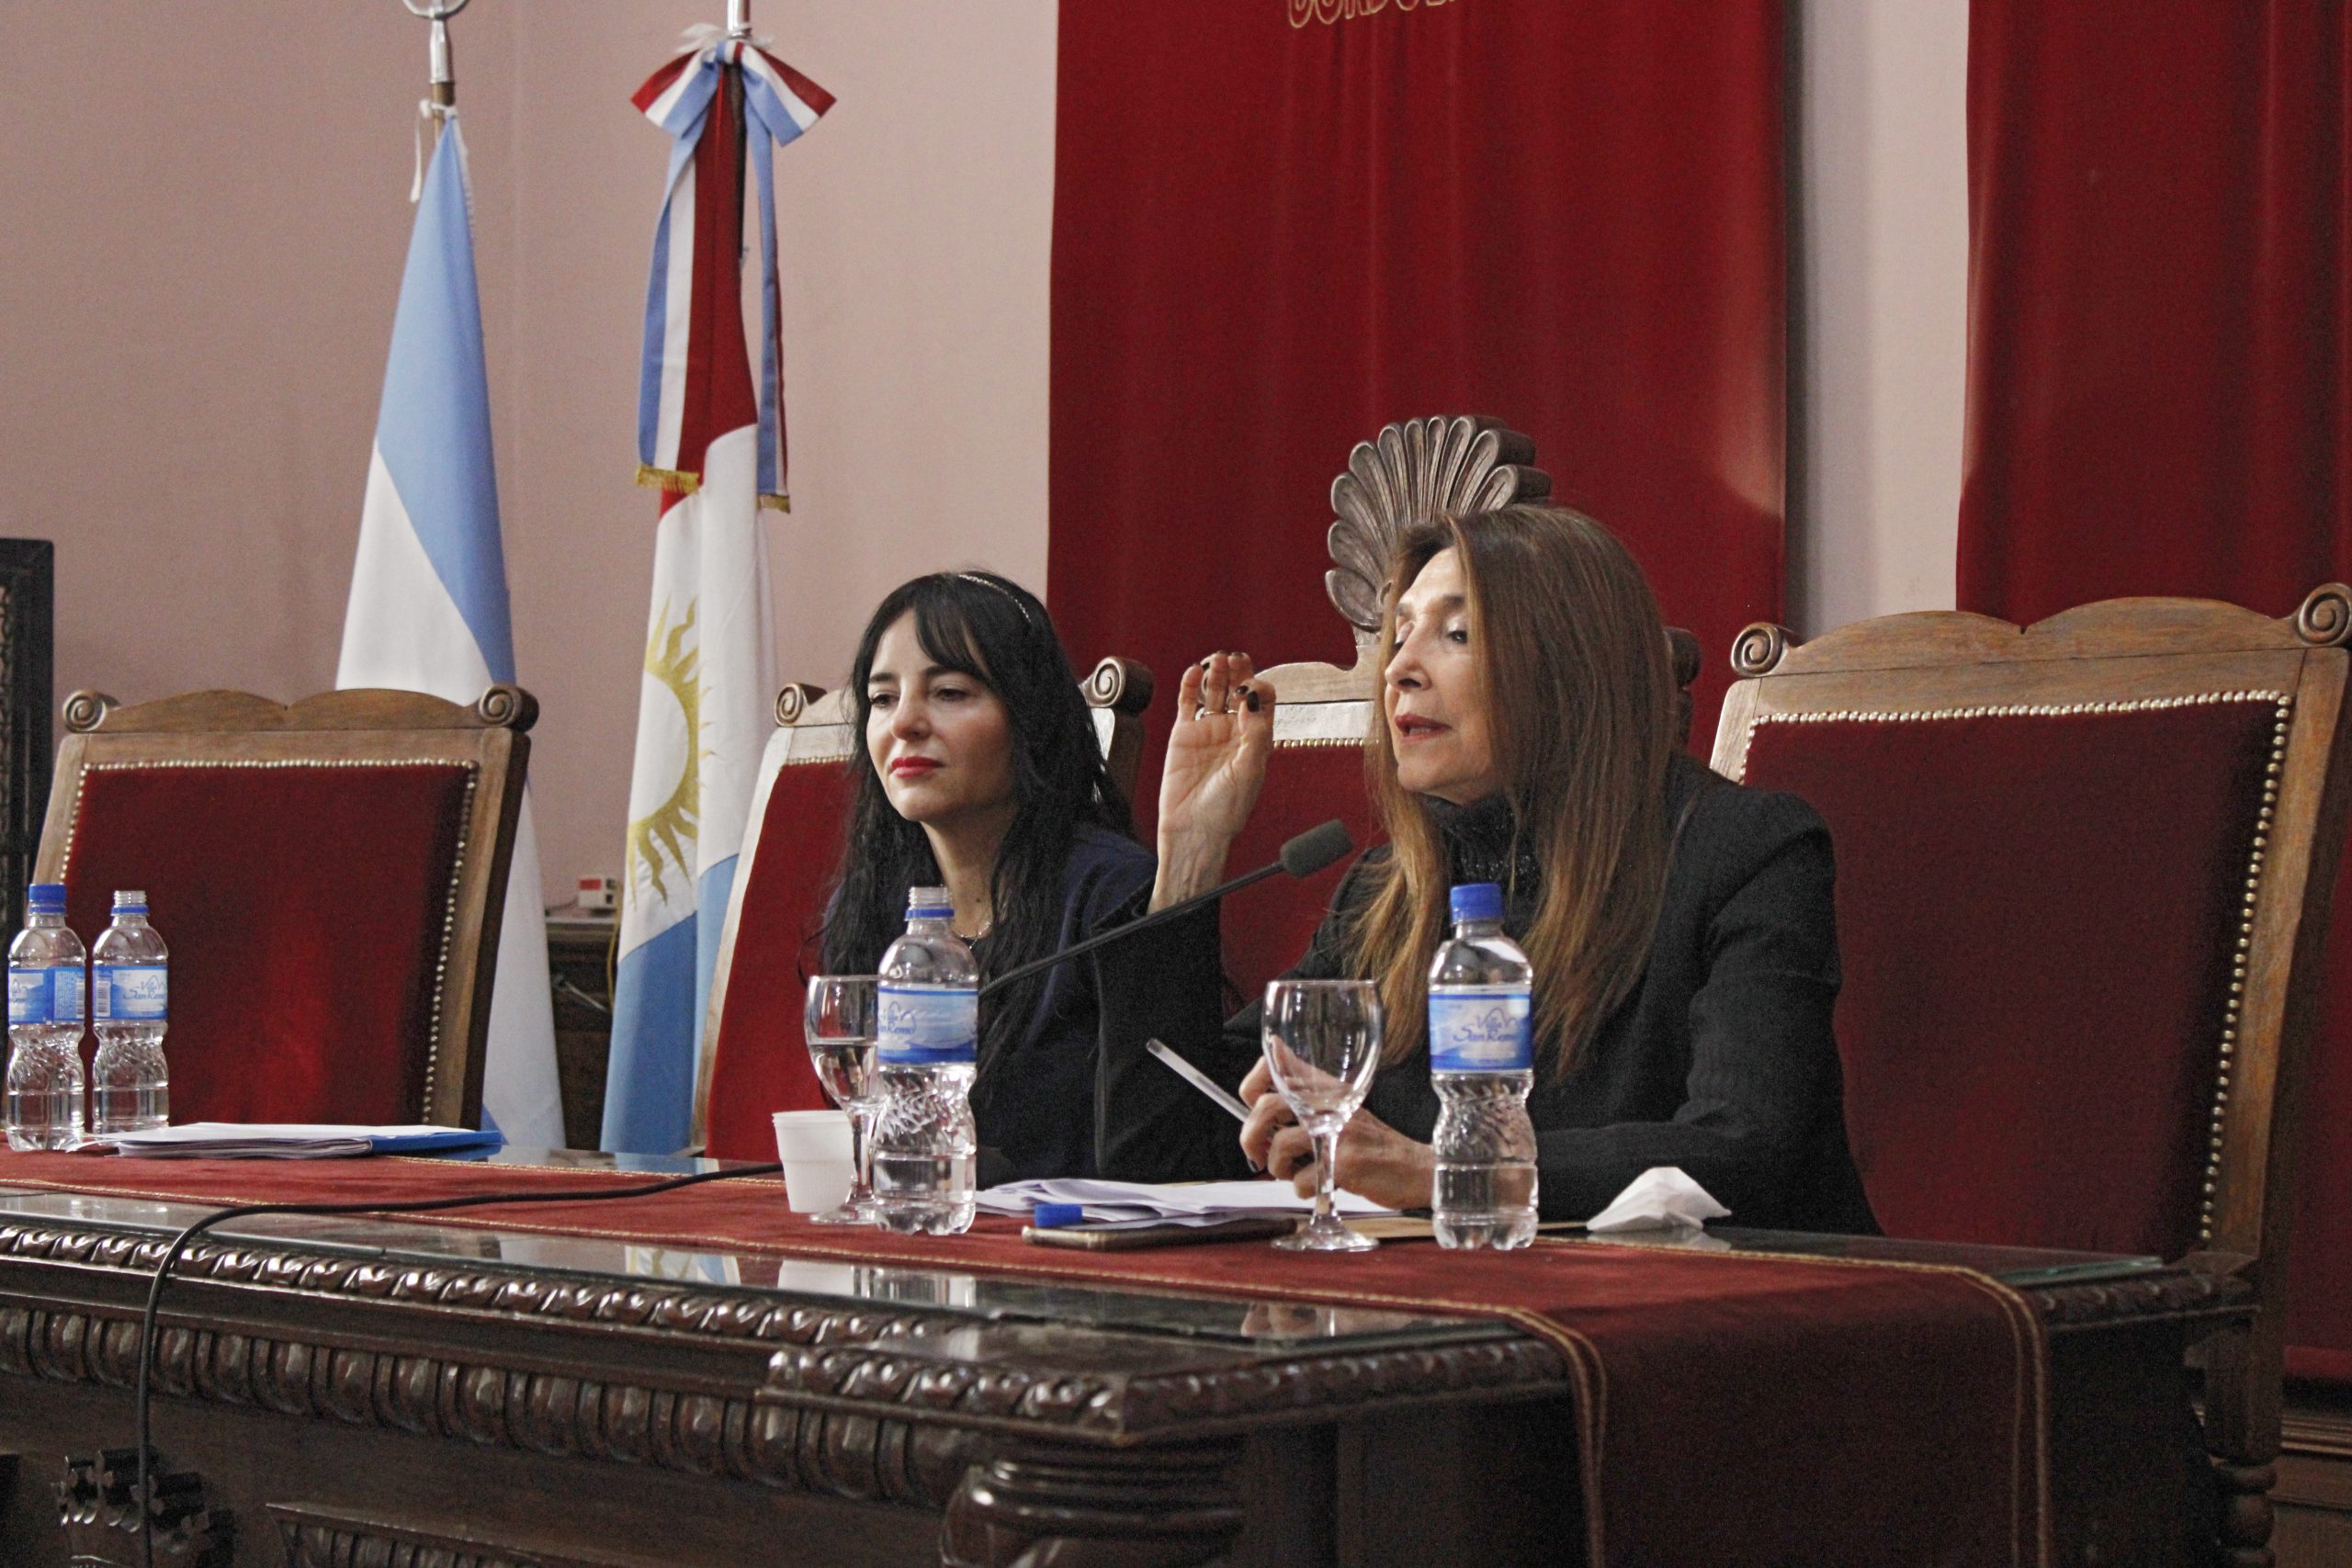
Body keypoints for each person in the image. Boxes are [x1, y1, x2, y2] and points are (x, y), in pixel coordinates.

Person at [1094, 505, 1877, 1232]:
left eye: (1457, 635)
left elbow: (1745, 1151)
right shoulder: (1386, 887)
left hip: (1729, 1333)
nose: (1400, 667)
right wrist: (1190, 857)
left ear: (1574, 668)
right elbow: (1167, 1164)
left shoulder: (1744, 850)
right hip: (1453, 1320)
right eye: (1399, 634)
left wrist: (1446, 1173)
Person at [822, 570, 1153, 1184]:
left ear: (1029, 716)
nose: (904, 724)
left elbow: (1154, 1156)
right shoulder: (872, 899)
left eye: (948, 692)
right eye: (883, 698)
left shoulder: (1110, 892)